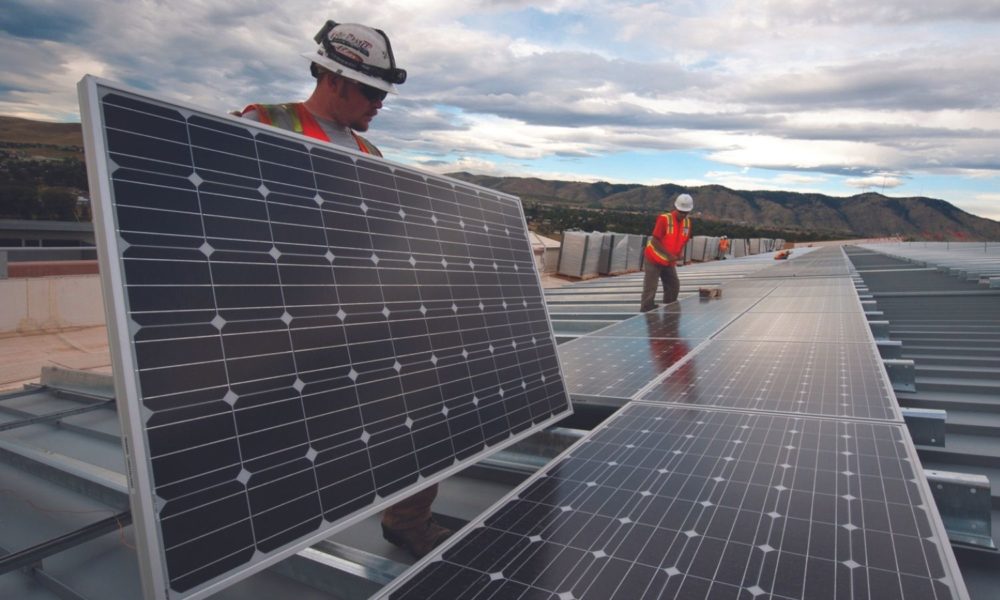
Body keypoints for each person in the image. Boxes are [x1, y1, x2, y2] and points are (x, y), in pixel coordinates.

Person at [241, 20, 451, 559]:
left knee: (423, 404)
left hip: (353, 313)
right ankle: (255, 531)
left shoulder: (369, 154)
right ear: (334, 78)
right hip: (283, 320)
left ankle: (407, 519)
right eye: (371, 90)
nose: (380, 103)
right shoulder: (263, 123)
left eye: (384, 93)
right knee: (285, 439)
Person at [640, 194, 693, 312]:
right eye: (680, 212)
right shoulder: (665, 219)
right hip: (654, 258)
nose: (683, 215)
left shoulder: (687, 223)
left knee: (673, 285)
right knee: (651, 287)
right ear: (676, 208)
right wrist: (669, 255)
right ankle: (646, 310)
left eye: (685, 212)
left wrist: (679, 253)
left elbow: (684, 240)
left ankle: (669, 309)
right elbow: (654, 241)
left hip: (669, 261)